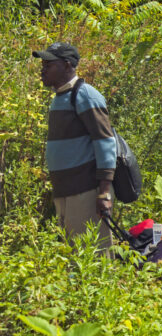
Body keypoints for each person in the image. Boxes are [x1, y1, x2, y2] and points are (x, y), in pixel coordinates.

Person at [35, 42, 115, 247]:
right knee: (74, 258)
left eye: (49, 65)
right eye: (42, 64)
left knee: (92, 256)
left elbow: (105, 143)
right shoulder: (61, 97)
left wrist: (104, 193)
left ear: (68, 65)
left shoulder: (85, 94)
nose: (42, 69)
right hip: (65, 193)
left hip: (85, 192)